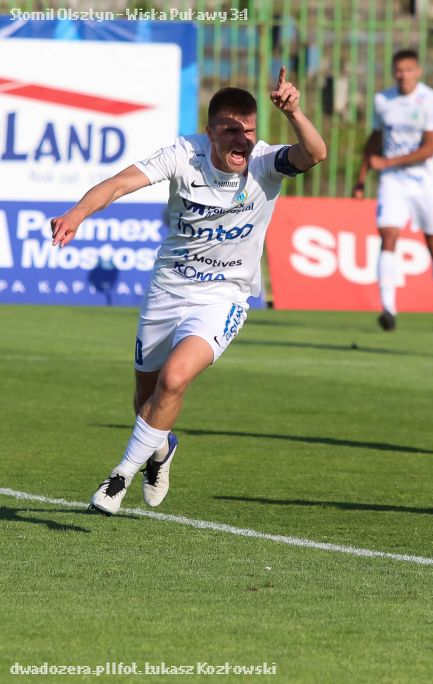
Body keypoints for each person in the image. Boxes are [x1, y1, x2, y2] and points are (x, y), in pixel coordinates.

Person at [50, 69, 327, 515]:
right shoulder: (183, 155)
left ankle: (119, 478)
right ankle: (161, 450)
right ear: (210, 132)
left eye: (249, 131)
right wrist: (78, 213)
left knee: (175, 379)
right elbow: (119, 183)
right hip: (168, 289)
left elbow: (315, 153)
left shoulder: (265, 162)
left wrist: (294, 113)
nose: (242, 141)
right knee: (146, 399)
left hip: (224, 296)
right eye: (231, 131)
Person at [354, 49, 433, 332]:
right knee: (388, 235)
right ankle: (388, 309)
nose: (403, 75)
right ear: (393, 72)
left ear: (418, 71)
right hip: (393, 182)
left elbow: (429, 148)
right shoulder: (383, 100)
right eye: (399, 70)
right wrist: (361, 178)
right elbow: (375, 138)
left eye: (408, 70)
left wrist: (387, 162)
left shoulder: (431, 100)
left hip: (426, 182)